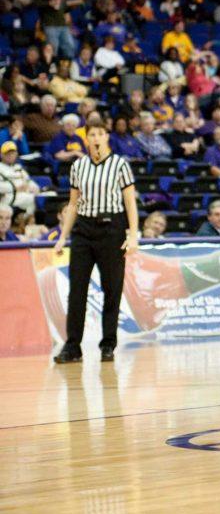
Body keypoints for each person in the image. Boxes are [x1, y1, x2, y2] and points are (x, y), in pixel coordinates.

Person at [52, 124, 139, 363]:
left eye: (100, 134)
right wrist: (62, 236)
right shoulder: (78, 166)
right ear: (86, 139)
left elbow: (130, 202)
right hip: (83, 230)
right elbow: (72, 204)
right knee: (77, 289)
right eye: (92, 134)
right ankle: (72, 346)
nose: (96, 138)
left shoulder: (120, 165)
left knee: (112, 288)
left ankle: (108, 344)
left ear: (107, 137)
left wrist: (133, 234)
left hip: (112, 229)